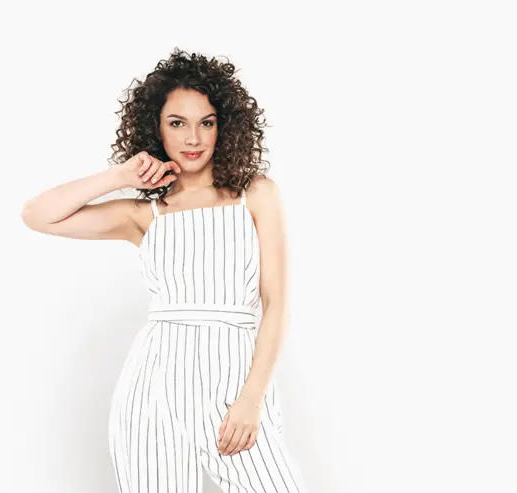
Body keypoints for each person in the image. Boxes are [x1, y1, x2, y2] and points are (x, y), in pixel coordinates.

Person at [21, 48, 307, 493]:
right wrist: (120, 176)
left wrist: (252, 399)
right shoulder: (144, 214)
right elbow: (38, 215)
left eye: (206, 123)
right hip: (153, 385)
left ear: (224, 126)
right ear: (155, 128)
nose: (193, 138)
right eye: (177, 123)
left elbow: (277, 304)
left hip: (234, 380)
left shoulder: (255, 194)